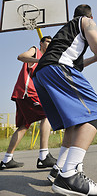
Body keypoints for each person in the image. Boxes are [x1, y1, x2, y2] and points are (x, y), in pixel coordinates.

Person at [33, 5, 97, 195]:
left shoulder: (66, 32)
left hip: (42, 74)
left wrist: (94, 58)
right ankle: (70, 175)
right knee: (94, 112)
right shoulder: (87, 22)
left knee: (73, 124)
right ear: (90, 16)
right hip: (57, 68)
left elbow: (77, 64)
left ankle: (58, 170)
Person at [0, 36, 57, 170]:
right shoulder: (35, 51)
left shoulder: (47, 61)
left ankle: (6, 160)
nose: (50, 44)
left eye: (51, 42)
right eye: (47, 41)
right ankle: (44, 156)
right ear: (41, 43)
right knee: (46, 115)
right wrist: (39, 60)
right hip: (27, 93)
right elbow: (21, 56)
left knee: (23, 126)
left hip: (22, 94)